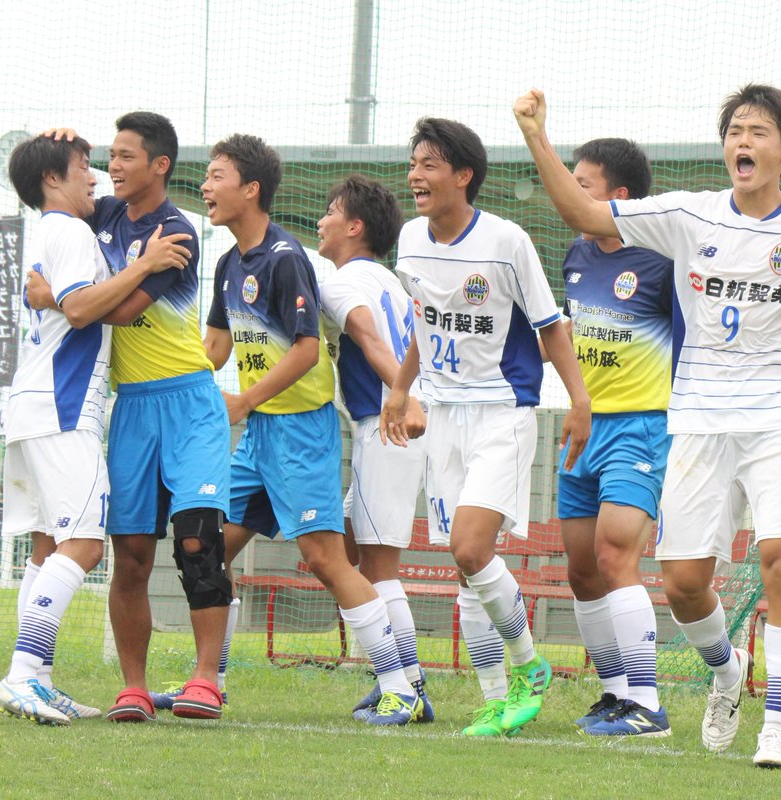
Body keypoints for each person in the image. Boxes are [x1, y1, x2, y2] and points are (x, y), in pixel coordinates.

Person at [514, 85, 781, 768]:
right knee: (681, 581)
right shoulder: (687, 214)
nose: (744, 140)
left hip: (778, 422)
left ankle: (777, 726)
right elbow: (584, 209)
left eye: (759, 131)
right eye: (736, 129)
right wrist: (536, 135)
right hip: (700, 424)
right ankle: (727, 669)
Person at [201, 135, 423, 726]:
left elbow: (305, 352)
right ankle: (208, 682)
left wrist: (243, 401)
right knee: (204, 547)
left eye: (216, 175)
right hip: (257, 437)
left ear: (250, 189)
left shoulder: (287, 258)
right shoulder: (228, 264)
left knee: (328, 560)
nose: (205, 187)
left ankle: (400, 687)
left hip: (301, 430)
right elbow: (215, 349)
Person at [379, 117, 592, 736]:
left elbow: (551, 326)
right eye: (414, 163)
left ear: (463, 176)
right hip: (441, 415)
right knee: (469, 568)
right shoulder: (412, 240)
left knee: (470, 547)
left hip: (502, 412)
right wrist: (401, 388)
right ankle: (501, 701)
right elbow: (424, 321)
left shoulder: (507, 241)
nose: (415, 176)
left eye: (429, 165)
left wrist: (577, 401)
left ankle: (529, 666)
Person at [33, 114, 233, 723]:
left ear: (160, 165)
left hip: (191, 401)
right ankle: (135, 688)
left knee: (198, 541)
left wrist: (63, 299)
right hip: (133, 409)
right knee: (131, 553)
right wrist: (55, 146)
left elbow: (114, 312)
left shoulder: (178, 232)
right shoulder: (105, 217)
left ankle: (205, 680)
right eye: (107, 158)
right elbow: (55, 211)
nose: (110, 168)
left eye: (123, 157)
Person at [0, 134, 186, 724]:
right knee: (84, 541)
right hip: (63, 406)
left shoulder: (48, 228)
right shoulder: (71, 231)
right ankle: (23, 673)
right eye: (83, 168)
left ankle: (38, 678)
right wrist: (147, 264)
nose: (96, 178)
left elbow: (61, 301)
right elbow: (79, 309)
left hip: (36, 403)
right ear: (53, 178)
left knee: (48, 545)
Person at [547, 138, 675, 737]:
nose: (573, 192)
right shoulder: (575, 254)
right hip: (583, 427)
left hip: (642, 427)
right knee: (580, 569)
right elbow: (569, 331)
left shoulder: (661, 259)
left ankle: (648, 703)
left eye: (584, 183)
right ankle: (614, 692)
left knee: (614, 553)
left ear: (619, 197)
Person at [313, 175, 434, 722]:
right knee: (344, 555)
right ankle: (407, 683)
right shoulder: (389, 279)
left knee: (379, 567)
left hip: (385, 429)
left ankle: (407, 690)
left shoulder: (342, 283)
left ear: (354, 227)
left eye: (330, 212)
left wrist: (403, 401)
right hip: (390, 431)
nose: (321, 221)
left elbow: (371, 341)